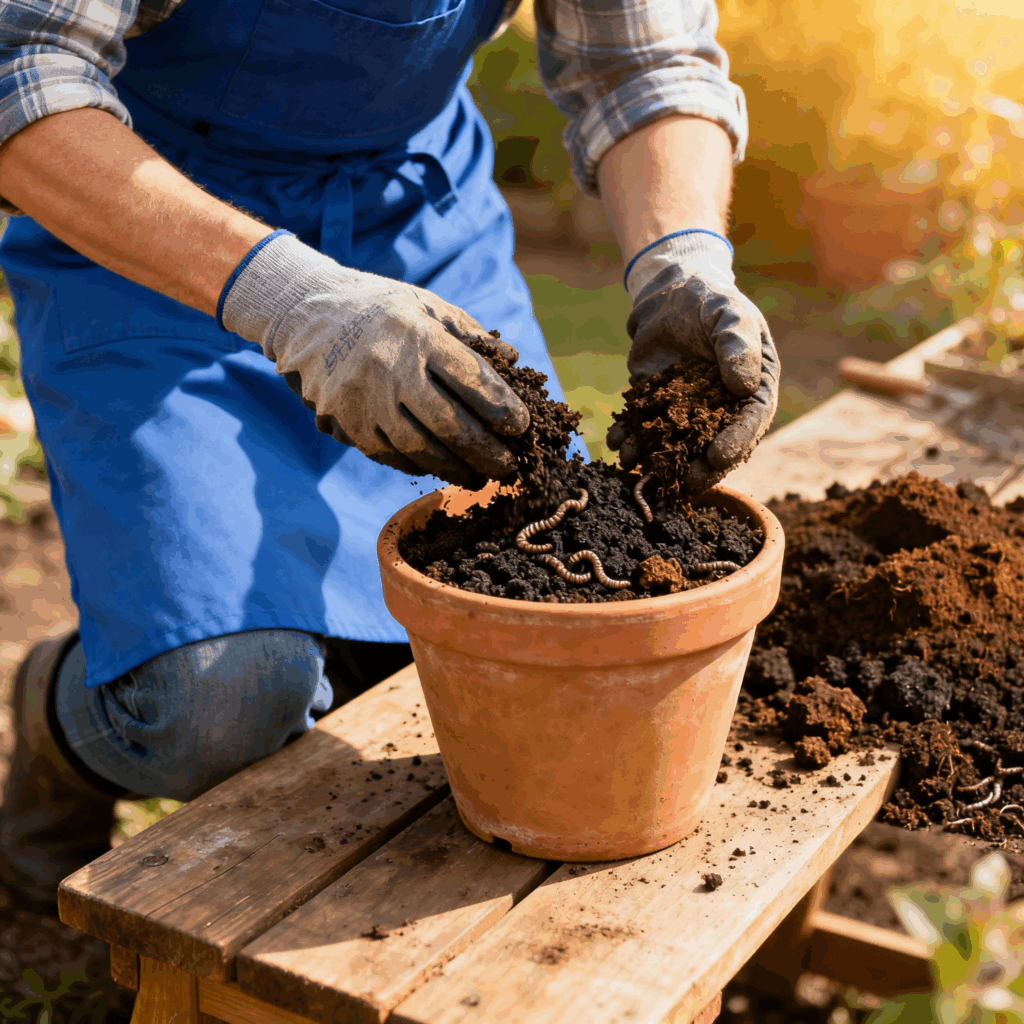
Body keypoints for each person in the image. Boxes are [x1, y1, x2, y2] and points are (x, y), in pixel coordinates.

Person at [0, 0, 779, 910]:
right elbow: (21, 66)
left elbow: (645, 64)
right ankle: (60, 713)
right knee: (220, 704)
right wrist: (291, 298)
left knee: (520, 619)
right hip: (156, 232)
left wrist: (683, 258)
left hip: (410, 225)